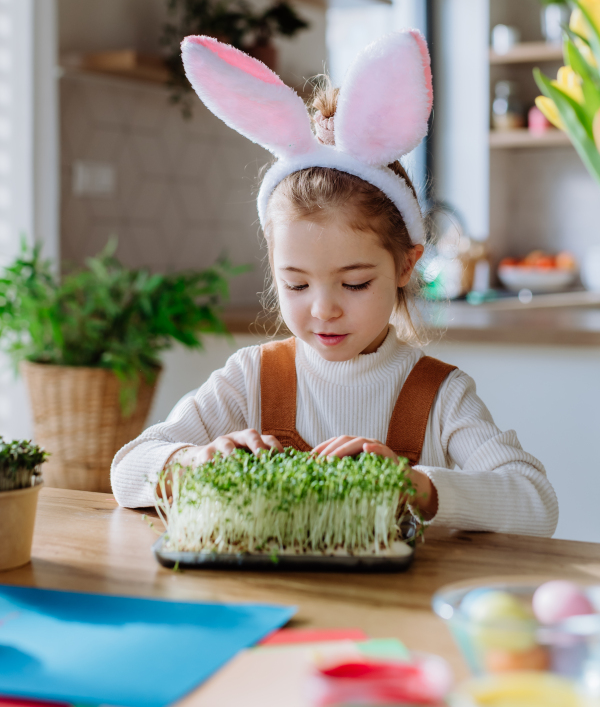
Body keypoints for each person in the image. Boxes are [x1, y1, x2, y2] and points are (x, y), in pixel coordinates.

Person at [111, 30, 558, 536]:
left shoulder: (440, 396)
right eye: (297, 285)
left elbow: (537, 504)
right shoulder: (251, 379)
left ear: (405, 266)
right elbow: (128, 469)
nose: (323, 310)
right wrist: (189, 461)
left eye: (355, 284)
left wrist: (418, 485)